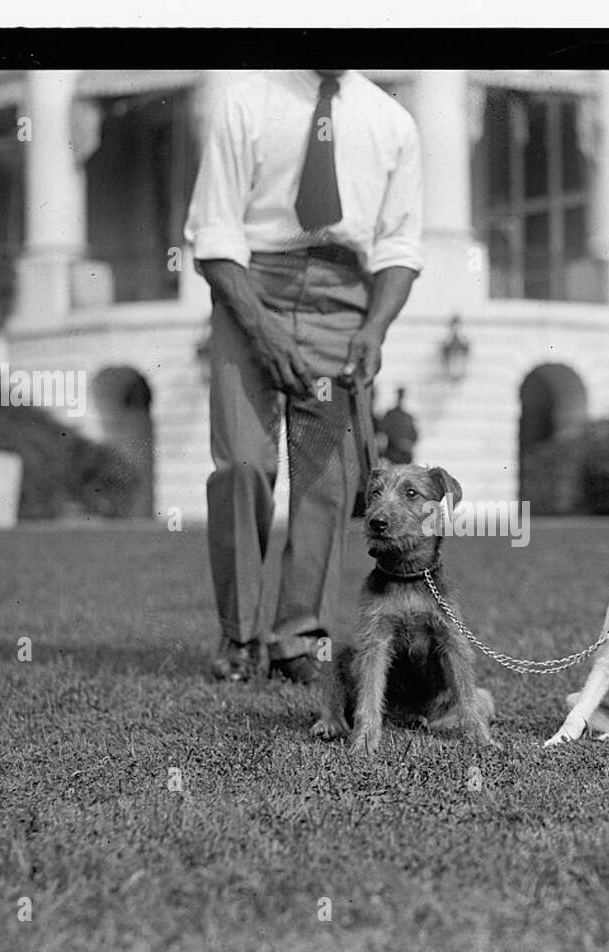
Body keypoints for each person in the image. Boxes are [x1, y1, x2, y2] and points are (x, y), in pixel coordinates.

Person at [184, 69, 423, 685]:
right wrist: (260, 329)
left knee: (325, 479)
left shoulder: (392, 121)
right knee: (242, 463)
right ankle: (239, 637)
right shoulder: (248, 100)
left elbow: (398, 247)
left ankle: (298, 638)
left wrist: (375, 329)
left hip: (346, 299)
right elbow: (213, 230)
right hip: (251, 290)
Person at [378, 387, 419, 465]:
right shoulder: (391, 414)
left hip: (405, 454)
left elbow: (414, 436)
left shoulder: (408, 417)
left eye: (402, 395)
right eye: (400, 395)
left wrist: (407, 444)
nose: (401, 398)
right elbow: (382, 430)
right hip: (392, 453)